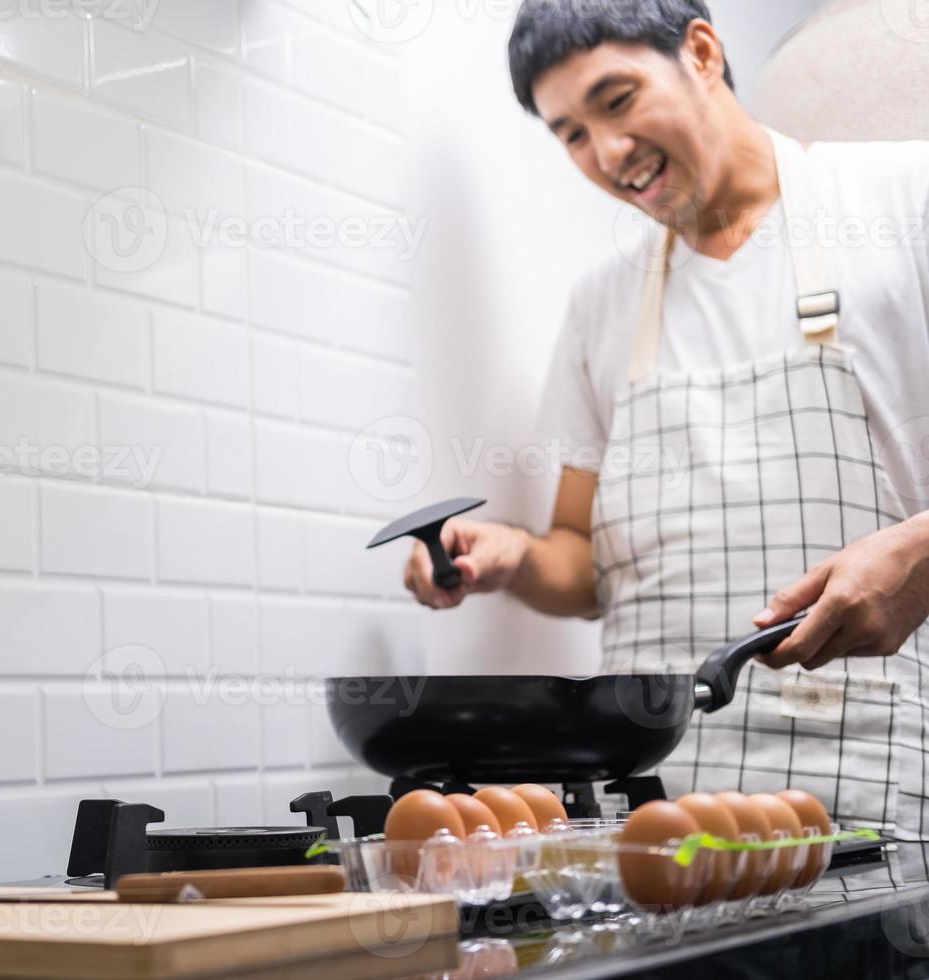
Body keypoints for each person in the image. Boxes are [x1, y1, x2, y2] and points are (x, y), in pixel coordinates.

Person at [404, 0, 929, 887]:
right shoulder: (601, 307)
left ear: (701, 50)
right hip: (655, 822)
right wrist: (513, 557)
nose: (607, 154)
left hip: (869, 795)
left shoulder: (900, 200)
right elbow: (583, 565)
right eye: (571, 133)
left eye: (617, 100)